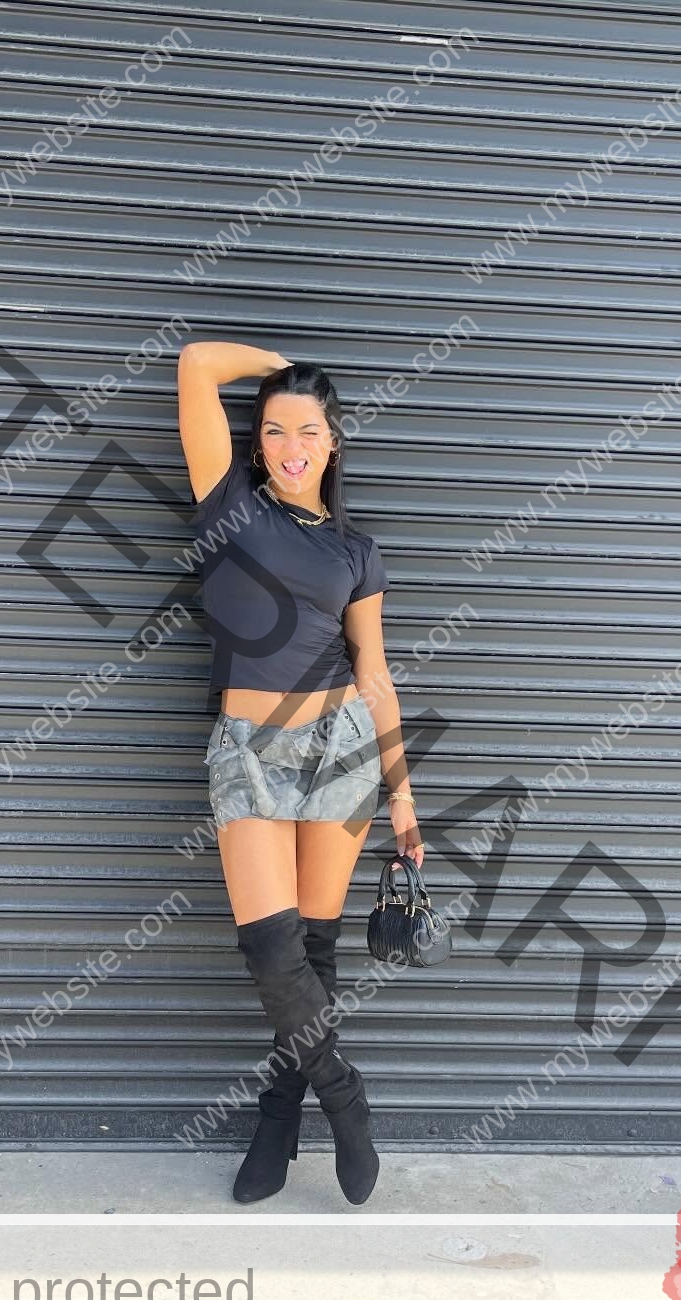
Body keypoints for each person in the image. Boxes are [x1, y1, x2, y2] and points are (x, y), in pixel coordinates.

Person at [176, 340, 424, 1206]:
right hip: (248, 747)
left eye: (309, 430)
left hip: (344, 750)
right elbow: (197, 364)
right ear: (256, 445)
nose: (291, 444)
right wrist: (284, 366)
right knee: (272, 948)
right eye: (276, 429)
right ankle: (343, 1101)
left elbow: (376, 672)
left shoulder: (358, 552)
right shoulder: (230, 507)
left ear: (332, 441)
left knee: (314, 951)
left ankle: (278, 1115)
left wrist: (402, 793)